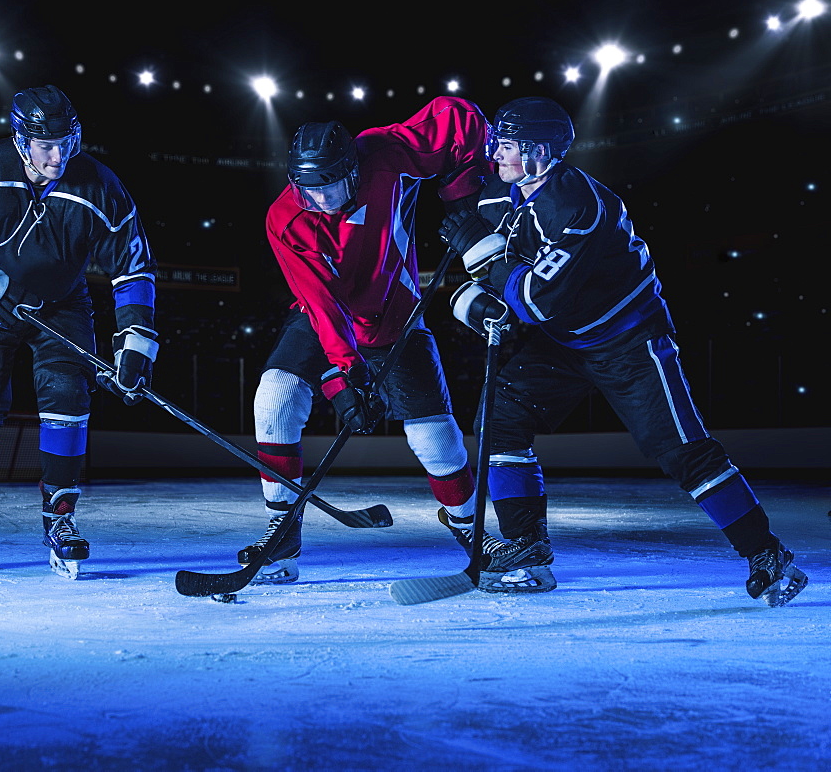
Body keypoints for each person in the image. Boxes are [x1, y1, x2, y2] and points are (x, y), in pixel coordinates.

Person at [438, 95, 808, 605]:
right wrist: (472, 294)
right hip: (566, 342)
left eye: (506, 144)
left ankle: (766, 553)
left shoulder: (578, 205)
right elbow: (504, 272)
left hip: (628, 342)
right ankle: (527, 550)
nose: (494, 153)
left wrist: (480, 258)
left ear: (540, 152)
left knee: (684, 453)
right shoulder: (503, 193)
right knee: (499, 418)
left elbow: (536, 300)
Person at [241, 96, 493, 584]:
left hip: (399, 314)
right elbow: (320, 303)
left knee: (434, 437)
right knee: (274, 399)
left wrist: (462, 198)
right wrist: (344, 376)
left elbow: (458, 119)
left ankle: (470, 526)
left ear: (351, 170)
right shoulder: (285, 218)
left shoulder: (385, 154)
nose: (315, 200)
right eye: (304, 188)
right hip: (328, 319)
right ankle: (283, 525)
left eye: (326, 187)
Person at [0, 84, 158, 578]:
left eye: (66, 142)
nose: (58, 156)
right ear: (20, 139)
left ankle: (60, 517)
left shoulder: (100, 185)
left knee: (69, 403)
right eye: (45, 145)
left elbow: (133, 267)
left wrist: (135, 343)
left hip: (60, 306)